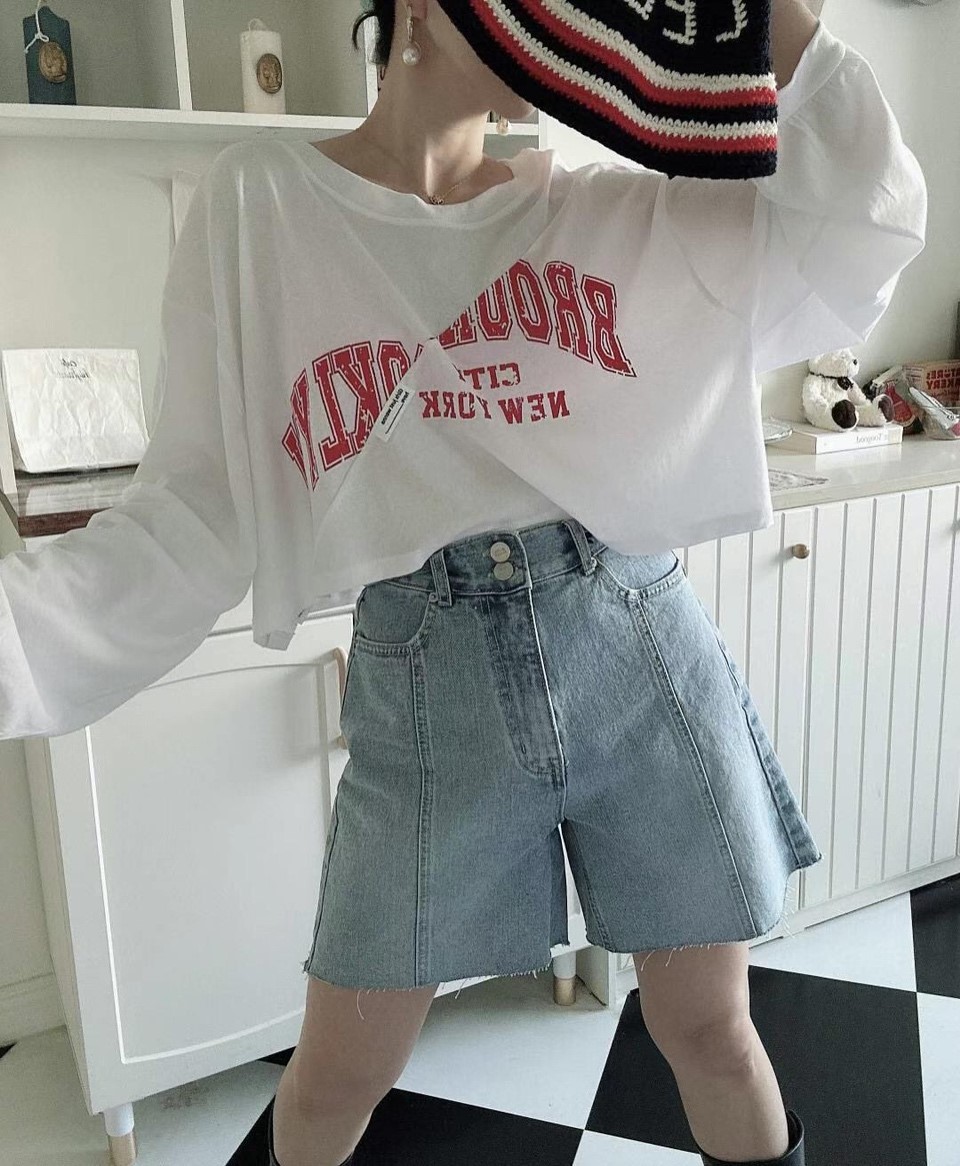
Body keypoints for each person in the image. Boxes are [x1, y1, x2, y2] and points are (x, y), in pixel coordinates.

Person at [0, 3, 927, 1166]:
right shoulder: (261, 205)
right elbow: (194, 509)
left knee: (712, 1031)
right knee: (338, 1070)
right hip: (427, 683)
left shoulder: (610, 208)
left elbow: (864, 223)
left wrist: (757, 17)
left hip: (636, 645)